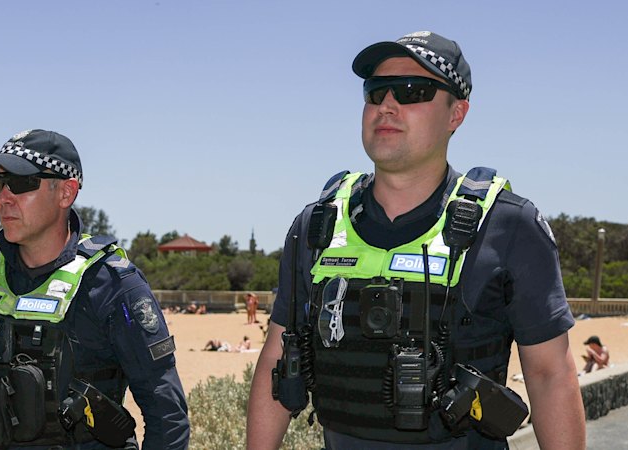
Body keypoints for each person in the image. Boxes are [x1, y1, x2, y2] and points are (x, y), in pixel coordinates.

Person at [247, 31, 585, 449]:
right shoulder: (316, 226)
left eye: (412, 91)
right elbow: (277, 359)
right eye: (375, 92)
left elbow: (550, 375)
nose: (386, 106)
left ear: (456, 114)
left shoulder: (510, 226)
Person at [0, 129, 189, 449]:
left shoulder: (112, 286)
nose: (4, 197)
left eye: (21, 184)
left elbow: (166, 415)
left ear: (66, 192)